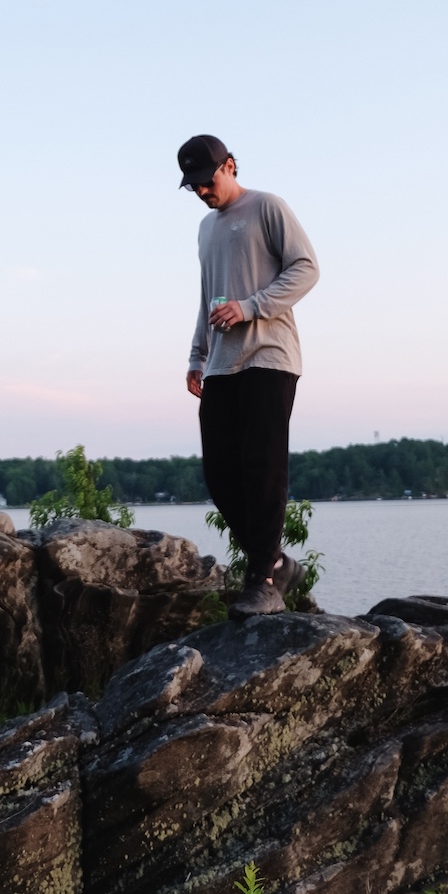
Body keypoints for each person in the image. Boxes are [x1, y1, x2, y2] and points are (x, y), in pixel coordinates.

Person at [178, 133, 319, 617]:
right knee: (220, 473)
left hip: (269, 355)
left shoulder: (267, 207)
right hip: (220, 363)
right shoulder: (205, 229)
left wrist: (250, 307)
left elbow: (307, 268)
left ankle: (261, 579)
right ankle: (277, 562)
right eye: (192, 185)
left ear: (230, 165)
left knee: (263, 468)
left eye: (206, 180)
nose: (201, 191)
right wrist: (198, 355)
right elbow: (207, 295)